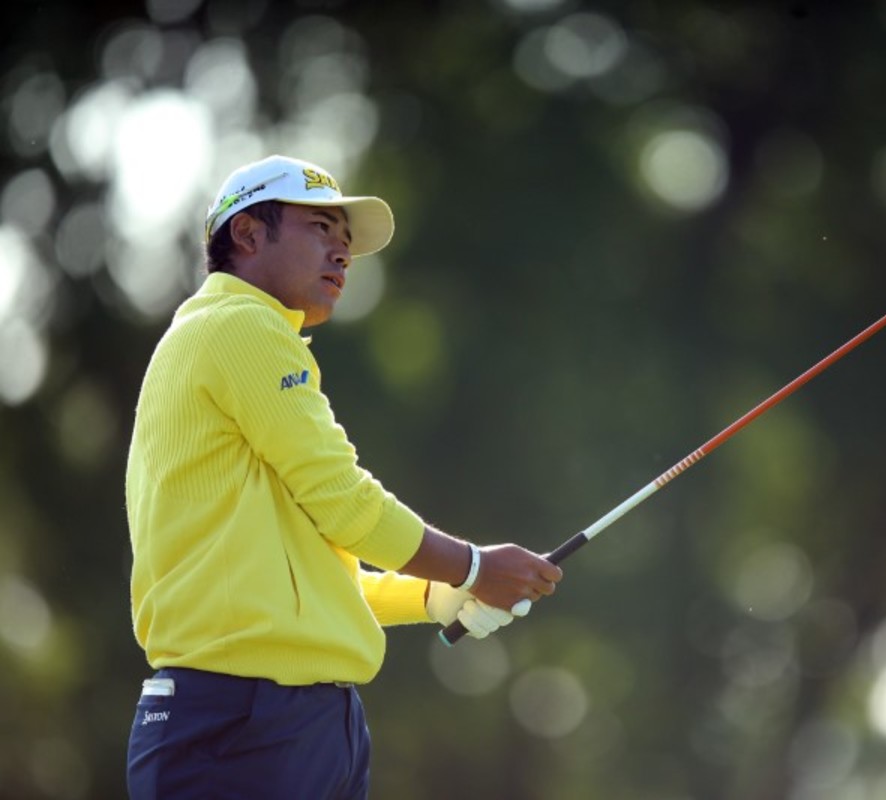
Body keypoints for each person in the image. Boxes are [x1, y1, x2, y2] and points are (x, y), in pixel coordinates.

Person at [124, 154, 563, 799]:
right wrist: (472, 568)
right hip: (238, 722)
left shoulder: (228, 338)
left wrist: (431, 596)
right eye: (320, 229)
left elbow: (315, 575)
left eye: (347, 240)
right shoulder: (239, 325)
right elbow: (347, 505)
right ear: (248, 234)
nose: (342, 253)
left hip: (292, 723)